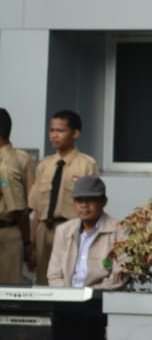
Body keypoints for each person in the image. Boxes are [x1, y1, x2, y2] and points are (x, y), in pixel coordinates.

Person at [28, 110, 98, 285]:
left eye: (60, 131)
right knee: (43, 281)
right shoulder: (44, 165)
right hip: (45, 230)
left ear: (75, 133)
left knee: (68, 279)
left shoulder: (86, 164)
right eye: (52, 130)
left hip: (71, 230)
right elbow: (37, 210)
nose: (54, 135)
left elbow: (93, 207)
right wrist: (32, 244)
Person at [46, 175, 125, 289]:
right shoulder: (63, 230)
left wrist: (90, 294)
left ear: (104, 202)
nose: (84, 205)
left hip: (102, 296)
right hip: (66, 296)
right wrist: (69, 294)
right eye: (79, 200)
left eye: (90, 199)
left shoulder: (120, 230)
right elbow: (54, 275)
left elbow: (121, 275)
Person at [0, 108, 35, 283]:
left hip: (7, 230)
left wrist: (27, 242)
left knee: (6, 289)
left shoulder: (15, 162)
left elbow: (23, 206)